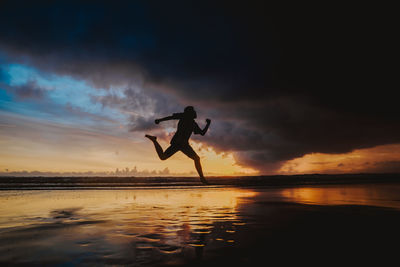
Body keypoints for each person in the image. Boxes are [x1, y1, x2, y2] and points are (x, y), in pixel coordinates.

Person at [145, 106, 211, 184]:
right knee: (163, 157)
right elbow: (171, 117)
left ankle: (202, 178)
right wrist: (160, 120)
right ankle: (154, 140)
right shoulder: (183, 116)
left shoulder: (193, 123)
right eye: (193, 111)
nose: (195, 113)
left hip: (184, 145)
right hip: (177, 143)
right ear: (189, 113)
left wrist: (208, 124)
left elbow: (202, 133)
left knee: (196, 158)